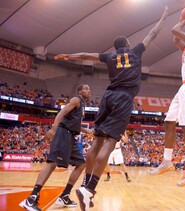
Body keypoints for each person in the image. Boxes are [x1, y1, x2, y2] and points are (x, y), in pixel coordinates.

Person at [55, 6, 168, 211]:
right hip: (123, 98)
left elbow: (86, 55)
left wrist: (68, 56)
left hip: (107, 97)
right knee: (110, 141)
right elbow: (152, 34)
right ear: (127, 44)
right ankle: (89, 189)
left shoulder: (109, 56)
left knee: (97, 141)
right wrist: (164, 16)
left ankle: (86, 186)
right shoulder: (135, 51)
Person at [149, 14, 185, 187]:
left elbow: (175, 30)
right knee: (169, 122)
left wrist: (184, 21)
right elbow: (176, 38)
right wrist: (183, 20)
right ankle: (167, 162)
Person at [19, 84, 91, 211]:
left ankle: (65, 196)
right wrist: (53, 128)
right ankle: (31, 199)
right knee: (51, 163)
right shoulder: (76, 100)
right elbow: (62, 112)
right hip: (63, 133)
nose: (88, 91)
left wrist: (89, 132)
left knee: (81, 164)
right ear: (80, 91)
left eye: (89, 89)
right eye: (85, 88)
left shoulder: (83, 106)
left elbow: (76, 125)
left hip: (71, 137)